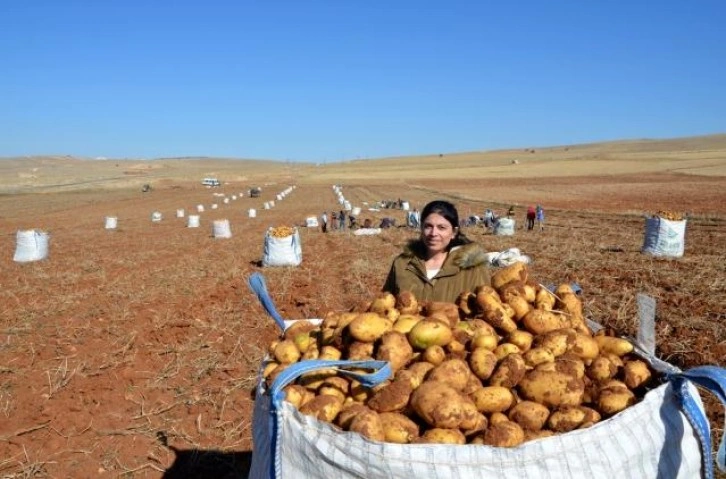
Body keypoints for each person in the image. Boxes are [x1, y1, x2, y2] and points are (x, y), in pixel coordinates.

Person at [382, 200, 491, 303]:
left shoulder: (473, 269)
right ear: (421, 228)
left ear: (454, 232)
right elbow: (385, 303)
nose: (433, 233)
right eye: (428, 226)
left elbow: (485, 310)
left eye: (441, 227)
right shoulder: (402, 264)